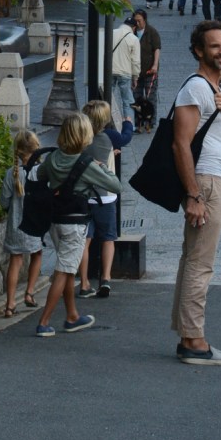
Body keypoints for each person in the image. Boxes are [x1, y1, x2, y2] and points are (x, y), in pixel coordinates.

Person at [171, 20, 221, 365]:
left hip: (215, 179)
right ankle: (194, 340)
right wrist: (194, 195)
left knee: (193, 260)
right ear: (199, 51)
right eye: (214, 46)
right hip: (206, 184)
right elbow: (180, 144)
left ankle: (187, 333)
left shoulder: (216, 90)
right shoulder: (196, 88)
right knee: (201, 263)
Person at [35, 113, 122, 338]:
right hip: (75, 223)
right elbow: (115, 185)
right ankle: (44, 322)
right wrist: (100, 167)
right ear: (84, 136)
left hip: (55, 220)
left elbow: (40, 175)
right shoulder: (86, 163)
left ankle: (72, 315)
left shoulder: (53, 158)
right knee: (63, 271)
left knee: (67, 267)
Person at [77, 100, 134, 299]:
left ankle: (84, 283)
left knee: (85, 241)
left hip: (84, 196)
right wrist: (128, 122)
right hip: (105, 197)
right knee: (108, 238)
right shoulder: (110, 136)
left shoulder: (81, 136)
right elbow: (126, 137)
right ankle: (106, 279)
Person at [0, 129, 44, 316]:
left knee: (15, 261)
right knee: (37, 253)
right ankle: (29, 293)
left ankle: (10, 304)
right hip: (34, 224)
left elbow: (4, 201)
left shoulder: (12, 173)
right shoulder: (39, 172)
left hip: (16, 224)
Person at [131, 8, 161, 130]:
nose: (137, 24)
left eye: (139, 21)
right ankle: (138, 121)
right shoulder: (131, 32)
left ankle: (151, 121)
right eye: (135, 21)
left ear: (145, 20)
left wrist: (155, 65)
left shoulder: (152, 32)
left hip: (149, 70)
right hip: (136, 71)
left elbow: (157, 49)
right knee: (136, 98)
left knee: (150, 97)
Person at [111, 17, 140, 123]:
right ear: (134, 28)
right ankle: (129, 124)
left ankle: (108, 122)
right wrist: (135, 77)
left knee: (108, 97)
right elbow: (135, 61)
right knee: (127, 100)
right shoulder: (134, 39)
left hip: (110, 70)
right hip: (125, 72)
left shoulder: (112, 33)